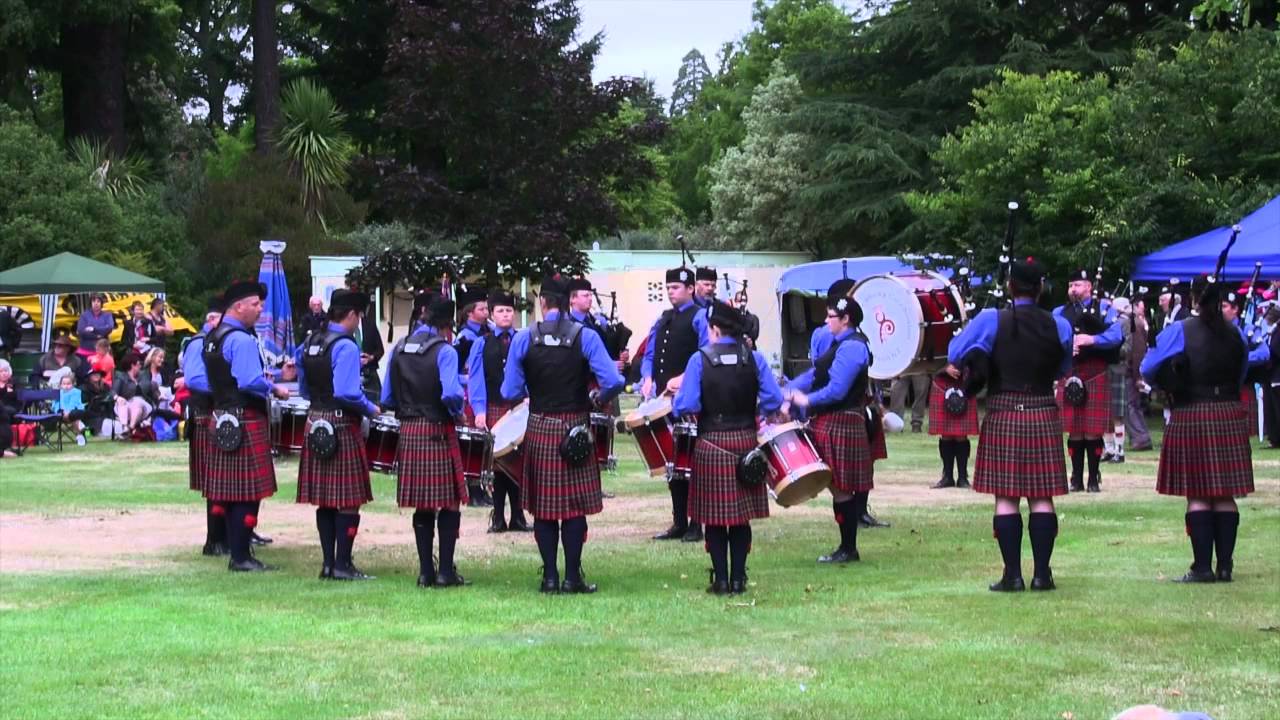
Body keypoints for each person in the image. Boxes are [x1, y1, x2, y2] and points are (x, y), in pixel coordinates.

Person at [948, 258, 1073, 592]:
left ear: (1009, 287)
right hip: (1044, 410)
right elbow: (1063, 366)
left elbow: (955, 353)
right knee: (1042, 496)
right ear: (1041, 288)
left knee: (1006, 497)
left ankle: (1012, 575)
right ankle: (1043, 575)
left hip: (1005, 411)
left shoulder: (991, 320)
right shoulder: (1059, 325)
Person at [500, 274, 624, 594]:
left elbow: (510, 389)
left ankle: (549, 578)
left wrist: (533, 388)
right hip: (575, 427)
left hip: (541, 425)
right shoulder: (586, 336)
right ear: (570, 301)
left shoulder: (524, 338)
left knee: (543, 507)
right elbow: (613, 380)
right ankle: (572, 577)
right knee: (573, 507)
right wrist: (597, 398)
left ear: (543, 302)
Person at [1141, 276, 1253, 583]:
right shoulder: (1236, 334)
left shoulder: (1180, 331)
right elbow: (1243, 370)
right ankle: (1226, 566)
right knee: (1225, 493)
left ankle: (1202, 568)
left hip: (1192, 410)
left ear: (1192, 299)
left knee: (1199, 493)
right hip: (1229, 411)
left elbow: (1148, 368)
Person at [674, 300, 783, 594]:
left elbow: (687, 404)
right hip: (746, 441)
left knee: (715, 516)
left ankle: (721, 580)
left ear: (715, 328)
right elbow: (774, 399)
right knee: (740, 516)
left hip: (712, 443)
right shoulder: (754, 358)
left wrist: (677, 399)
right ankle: (738, 579)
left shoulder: (700, 359)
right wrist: (756, 412)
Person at [381, 292, 470, 588]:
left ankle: (424, 572)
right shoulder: (445, 351)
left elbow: (386, 397)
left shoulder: (400, 347)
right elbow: (451, 393)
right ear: (447, 323)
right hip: (436, 429)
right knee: (450, 502)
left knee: (422, 504)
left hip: (409, 431)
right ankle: (445, 572)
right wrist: (458, 413)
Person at [202, 280, 291, 572]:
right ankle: (241, 557)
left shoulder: (213, 336)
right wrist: (274, 388)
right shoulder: (240, 339)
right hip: (245, 417)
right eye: (256, 305)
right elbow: (249, 380)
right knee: (247, 492)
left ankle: (236, 550)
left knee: (230, 490)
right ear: (238, 307)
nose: (260, 310)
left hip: (222, 415)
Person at [786, 283, 877, 564]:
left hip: (841, 421)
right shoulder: (839, 344)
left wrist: (805, 401)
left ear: (845, 319)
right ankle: (847, 547)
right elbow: (815, 374)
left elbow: (837, 389)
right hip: (832, 421)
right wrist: (786, 391)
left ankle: (848, 548)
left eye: (829, 317)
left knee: (840, 487)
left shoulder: (853, 348)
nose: (825, 322)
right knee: (836, 486)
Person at [296, 289, 382, 581]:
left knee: (325, 499)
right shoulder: (344, 346)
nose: (359, 323)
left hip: (315, 418)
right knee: (348, 499)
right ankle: (343, 565)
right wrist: (371, 408)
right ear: (352, 315)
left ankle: (328, 564)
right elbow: (347, 391)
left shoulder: (310, 341)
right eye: (359, 317)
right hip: (342, 422)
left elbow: (304, 386)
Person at [640, 266, 710, 543]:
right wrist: (646, 377)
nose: (671, 292)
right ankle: (679, 522)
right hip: (664, 401)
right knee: (673, 462)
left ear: (690, 289)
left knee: (691, 463)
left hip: (690, 400)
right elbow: (650, 353)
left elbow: (706, 353)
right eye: (668, 288)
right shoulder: (663, 319)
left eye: (676, 288)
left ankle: (696, 523)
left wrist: (684, 377)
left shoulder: (701, 317)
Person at [466, 289, 531, 534]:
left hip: (518, 409)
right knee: (496, 467)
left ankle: (518, 516)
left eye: (509, 311)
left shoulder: (523, 339)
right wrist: (479, 410)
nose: (505, 315)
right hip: (493, 408)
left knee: (517, 463)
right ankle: (498, 517)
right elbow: (475, 379)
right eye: (500, 311)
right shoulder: (481, 343)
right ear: (492, 315)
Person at [1054, 268, 1123, 493]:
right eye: (1070, 285)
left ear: (1089, 287)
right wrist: (1066, 344)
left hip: (1095, 372)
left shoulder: (1104, 309)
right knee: (1074, 428)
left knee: (1092, 430)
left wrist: (1091, 339)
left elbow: (1116, 336)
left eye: (1078, 285)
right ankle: (1075, 478)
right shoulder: (1059, 312)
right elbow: (1049, 337)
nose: (1073, 289)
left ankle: (1093, 478)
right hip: (1070, 371)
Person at [182, 295, 225, 556]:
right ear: (211, 319)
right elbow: (195, 379)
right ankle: (214, 540)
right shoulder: (199, 344)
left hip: (215, 413)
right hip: (205, 414)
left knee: (223, 482)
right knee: (215, 483)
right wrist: (227, 389)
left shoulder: (216, 342)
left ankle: (226, 537)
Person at [1123, 298, 1154, 451]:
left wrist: (1137, 376)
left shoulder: (1133, 323)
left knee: (1130, 406)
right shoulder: (1134, 322)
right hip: (1131, 371)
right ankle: (1140, 437)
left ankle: (1141, 438)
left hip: (1130, 372)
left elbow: (1137, 352)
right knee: (1132, 405)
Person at [453, 288, 491, 377]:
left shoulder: (489, 328)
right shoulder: (465, 336)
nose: (486, 313)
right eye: (481, 309)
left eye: (486, 308)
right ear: (469, 312)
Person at [112, 352, 152, 434]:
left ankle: (130, 428)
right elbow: (112, 391)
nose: (140, 366)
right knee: (122, 403)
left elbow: (149, 386)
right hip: (126, 405)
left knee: (137, 402)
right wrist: (117, 397)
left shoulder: (143, 376)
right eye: (138, 364)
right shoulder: (121, 377)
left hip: (142, 405)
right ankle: (125, 427)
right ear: (132, 365)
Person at [51, 373, 88, 445]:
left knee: (74, 414)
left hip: (74, 411)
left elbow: (73, 403)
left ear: (73, 384)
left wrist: (67, 412)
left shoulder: (76, 392)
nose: (66, 386)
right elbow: (55, 404)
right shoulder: (58, 393)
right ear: (60, 385)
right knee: (75, 420)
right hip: (61, 413)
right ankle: (80, 434)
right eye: (64, 384)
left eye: (68, 384)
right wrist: (60, 411)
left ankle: (80, 435)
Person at [75, 293, 115, 359]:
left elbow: (109, 327)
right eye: (93, 301)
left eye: (98, 301)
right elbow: (81, 331)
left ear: (101, 303)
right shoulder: (84, 315)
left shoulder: (108, 315)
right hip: (86, 349)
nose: (96, 303)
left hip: (103, 350)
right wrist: (98, 335)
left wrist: (94, 329)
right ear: (91, 303)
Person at [81, 368, 115, 436]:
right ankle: (87, 432)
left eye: (98, 374)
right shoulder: (83, 388)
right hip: (90, 416)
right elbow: (84, 405)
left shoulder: (105, 386)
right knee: (88, 432)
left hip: (106, 415)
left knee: (115, 425)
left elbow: (110, 397)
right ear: (89, 377)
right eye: (93, 374)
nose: (96, 375)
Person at [1, 359, 21, 457]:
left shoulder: (14, 383)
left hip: (13, 409)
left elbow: (18, 398)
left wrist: (9, 392)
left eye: (6, 371)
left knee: (8, 410)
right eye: (1, 371)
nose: (4, 373)